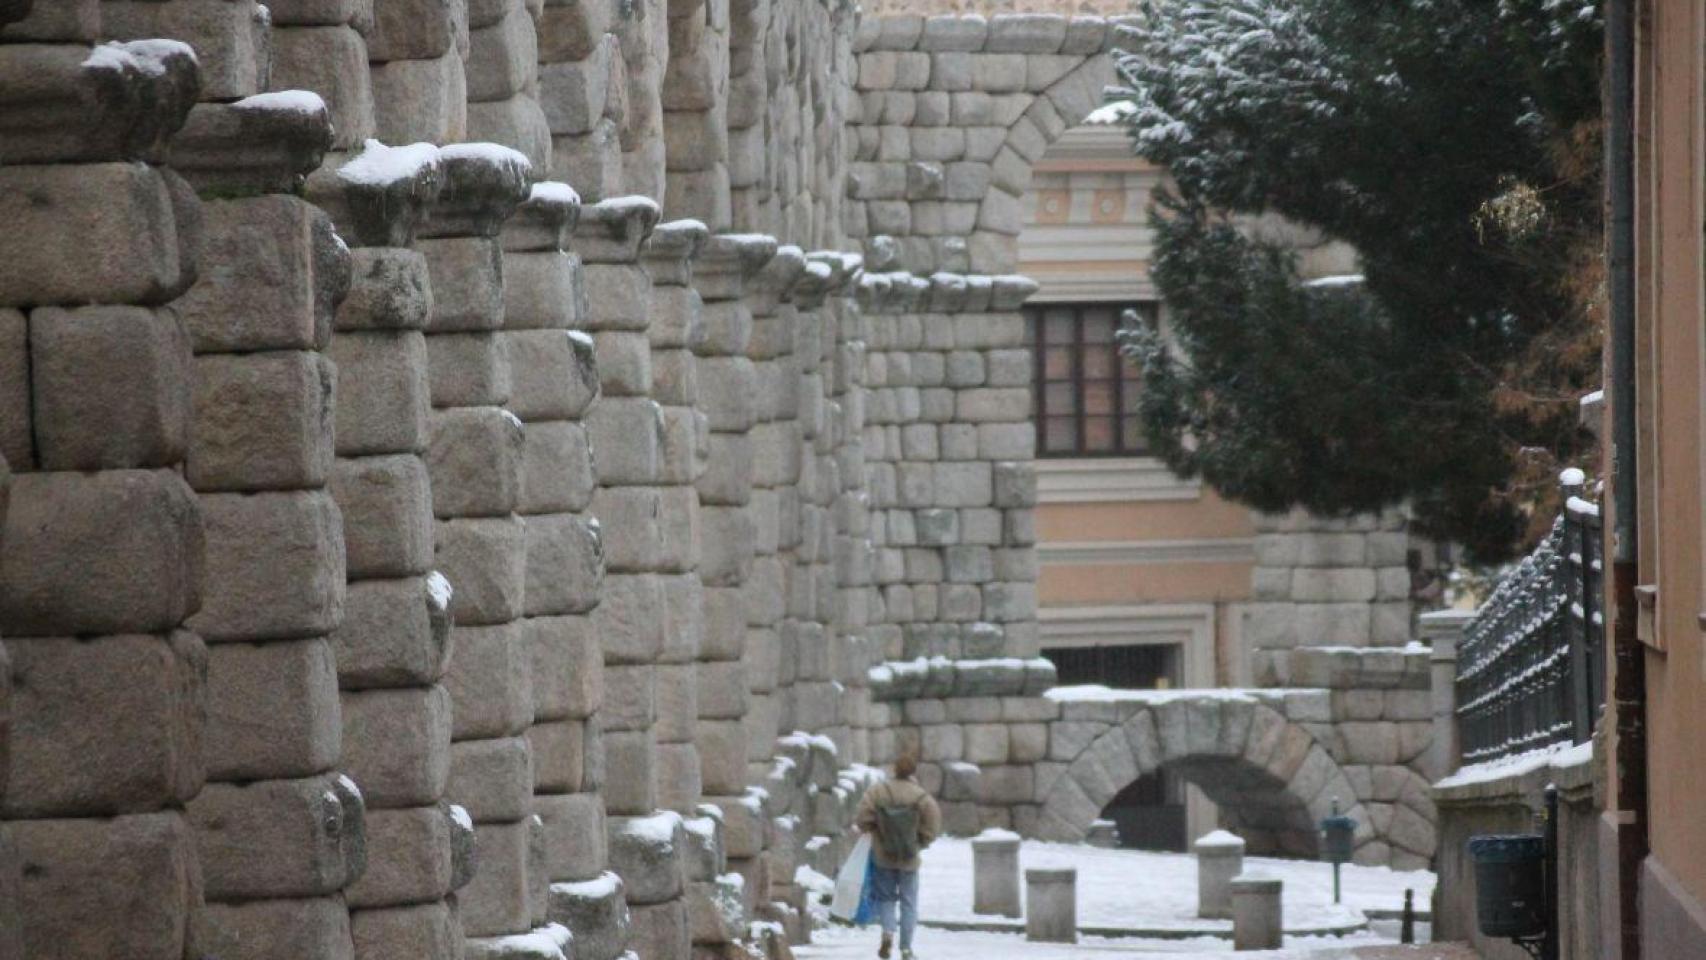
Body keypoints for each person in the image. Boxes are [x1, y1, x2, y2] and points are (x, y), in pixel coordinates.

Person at [854, 750, 941, 960]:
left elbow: (862, 818)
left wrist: (875, 831)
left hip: (883, 855)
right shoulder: (921, 797)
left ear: (894, 769)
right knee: (909, 902)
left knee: (885, 898)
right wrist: (921, 842)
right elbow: (933, 825)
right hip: (910, 858)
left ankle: (887, 933)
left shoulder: (878, 791)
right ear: (913, 771)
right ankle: (906, 948)